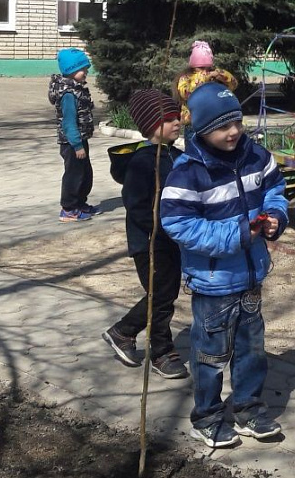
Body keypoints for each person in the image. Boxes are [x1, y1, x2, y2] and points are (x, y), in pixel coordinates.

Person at [161, 82, 289, 448]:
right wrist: (237, 234)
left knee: (252, 350)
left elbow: (275, 189)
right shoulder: (188, 171)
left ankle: (248, 408)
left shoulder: (256, 157)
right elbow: (177, 224)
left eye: (236, 122)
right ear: (201, 130)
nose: (233, 131)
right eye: (222, 126)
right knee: (211, 355)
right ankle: (207, 415)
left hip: (250, 277)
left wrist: (277, 216)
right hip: (214, 282)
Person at [103, 89, 189, 380]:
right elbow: (137, 206)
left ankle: (126, 333)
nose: (177, 122)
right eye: (169, 119)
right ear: (151, 125)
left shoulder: (176, 156)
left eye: (177, 116)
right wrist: (159, 231)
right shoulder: (142, 162)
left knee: (163, 293)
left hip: (174, 238)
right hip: (149, 241)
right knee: (161, 294)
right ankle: (158, 350)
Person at [50, 47, 99, 222]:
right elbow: (69, 122)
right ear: (71, 71)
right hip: (72, 143)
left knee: (85, 173)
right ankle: (69, 208)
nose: (86, 72)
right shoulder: (69, 94)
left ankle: (79, 203)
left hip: (80, 139)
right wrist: (77, 145)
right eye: (82, 69)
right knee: (74, 175)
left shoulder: (77, 89)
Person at [175, 40, 239, 126]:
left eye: (208, 68)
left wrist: (222, 76)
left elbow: (233, 85)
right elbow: (186, 93)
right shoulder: (186, 78)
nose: (205, 71)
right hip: (192, 121)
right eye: (201, 68)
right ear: (194, 67)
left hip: (213, 119)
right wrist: (204, 78)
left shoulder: (213, 77)